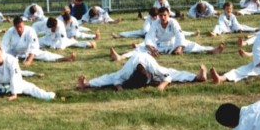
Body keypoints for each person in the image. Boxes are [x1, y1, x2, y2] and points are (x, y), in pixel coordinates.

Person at [111, 7, 223, 60]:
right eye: (161, 15)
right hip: (159, 45)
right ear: (158, 16)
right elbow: (149, 37)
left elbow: (179, 35)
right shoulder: (155, 23)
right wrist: (152, 49)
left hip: (174, 43)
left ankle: (212, 50)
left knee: (193, 45)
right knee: (140, 50)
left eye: (165, 15)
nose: (163, 17)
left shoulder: (173, 22)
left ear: (168, 14)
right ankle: (121, 57)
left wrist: (179, 47)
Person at [77, 52, 207, 92]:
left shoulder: (153, 68)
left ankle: (198, 76)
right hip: (134, 62)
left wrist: (162, 86)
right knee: (110, 78)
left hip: (147, 58)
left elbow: (167, 77)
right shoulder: (127, 72)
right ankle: (87, 84)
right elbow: (115, 79)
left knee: (172, 72)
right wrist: (120, 88)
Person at [0, 15, 76, 65]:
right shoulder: (10, 31)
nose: (19, 29)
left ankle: (65, 58)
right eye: (17, 27)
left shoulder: (30, 31)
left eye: (20, 27)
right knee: (2, 54)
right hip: (15, 51)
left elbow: (33, 47)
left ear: (23, 24)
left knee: (45, 55)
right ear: (14, 26)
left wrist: (29, 61)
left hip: (28, 51)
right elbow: (4, 45)